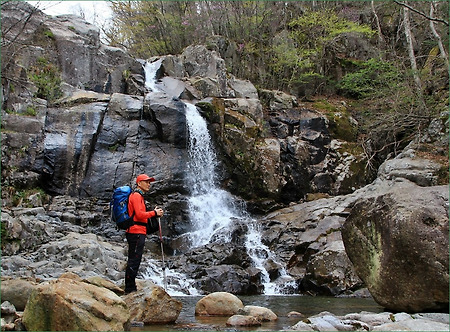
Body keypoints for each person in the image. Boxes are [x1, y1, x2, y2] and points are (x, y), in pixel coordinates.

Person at [125, 173, 164, 294]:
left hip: (138, 231)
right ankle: (130, 289)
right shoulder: (136, 196)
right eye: (146, 182)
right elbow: (140, 215)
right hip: (135, 232)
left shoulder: (139, 196)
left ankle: (130, 287)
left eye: (149, 182)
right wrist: (154, 213)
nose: (149, 184)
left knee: (135, 259)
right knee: (134, 260)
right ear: (139, 183)